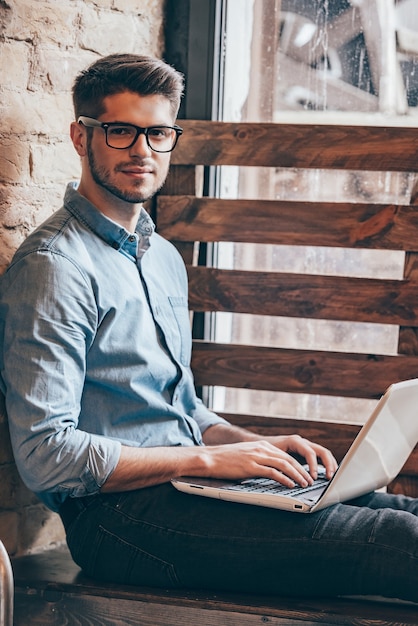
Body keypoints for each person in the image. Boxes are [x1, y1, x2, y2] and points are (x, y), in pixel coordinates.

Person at [1, 53, 418, 602]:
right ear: (82, 138)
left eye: (157, 134)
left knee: (402, 512)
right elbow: (46, 454)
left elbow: (184, 411)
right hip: (116, 521)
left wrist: (260, 448)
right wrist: (210, 460)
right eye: (121, 132)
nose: (141, 151)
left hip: (188, 487)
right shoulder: (54, 267)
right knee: (399, 542)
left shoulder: (162, 258)